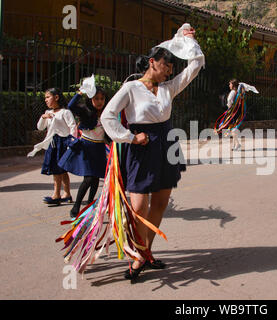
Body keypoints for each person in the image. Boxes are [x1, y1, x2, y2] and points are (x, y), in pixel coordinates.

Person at [100, 26, 204, 281]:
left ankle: (145, 254)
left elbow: (196, 65)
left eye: (171, 66)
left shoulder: (169, 88)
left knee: (159, 203)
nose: (170, 70)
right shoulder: (131, 88)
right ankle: (139, 253)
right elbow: (107, 116)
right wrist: (130, 137)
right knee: (138, 207)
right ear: (152, 62)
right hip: (142, 148)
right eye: (166, 65)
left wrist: (186, 41)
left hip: (166, 145)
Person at [58, 84, 109, 218]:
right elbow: (70, 106)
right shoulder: (85, 111)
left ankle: (90, 206)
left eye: (102, 99)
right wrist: (80, 93)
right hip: (86, 147)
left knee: (96, 178)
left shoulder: (108, 112)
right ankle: (76, 207)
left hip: (99, 148)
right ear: (91, 99)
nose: (99, 102)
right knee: (88, 178)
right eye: (96, 98)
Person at [27, 88, 77, 205]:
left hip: (63, 143)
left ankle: (56, 195)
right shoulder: (48, 112)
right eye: (45, 98)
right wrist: (43, 117)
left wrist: (71, 142)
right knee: (59, 170)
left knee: (60, 170)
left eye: (48, 97)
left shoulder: (65, 112)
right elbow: (40, 127)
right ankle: (67, 194)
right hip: (53, 144)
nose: (46, 100)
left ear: (56, 97)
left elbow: (73, 127)